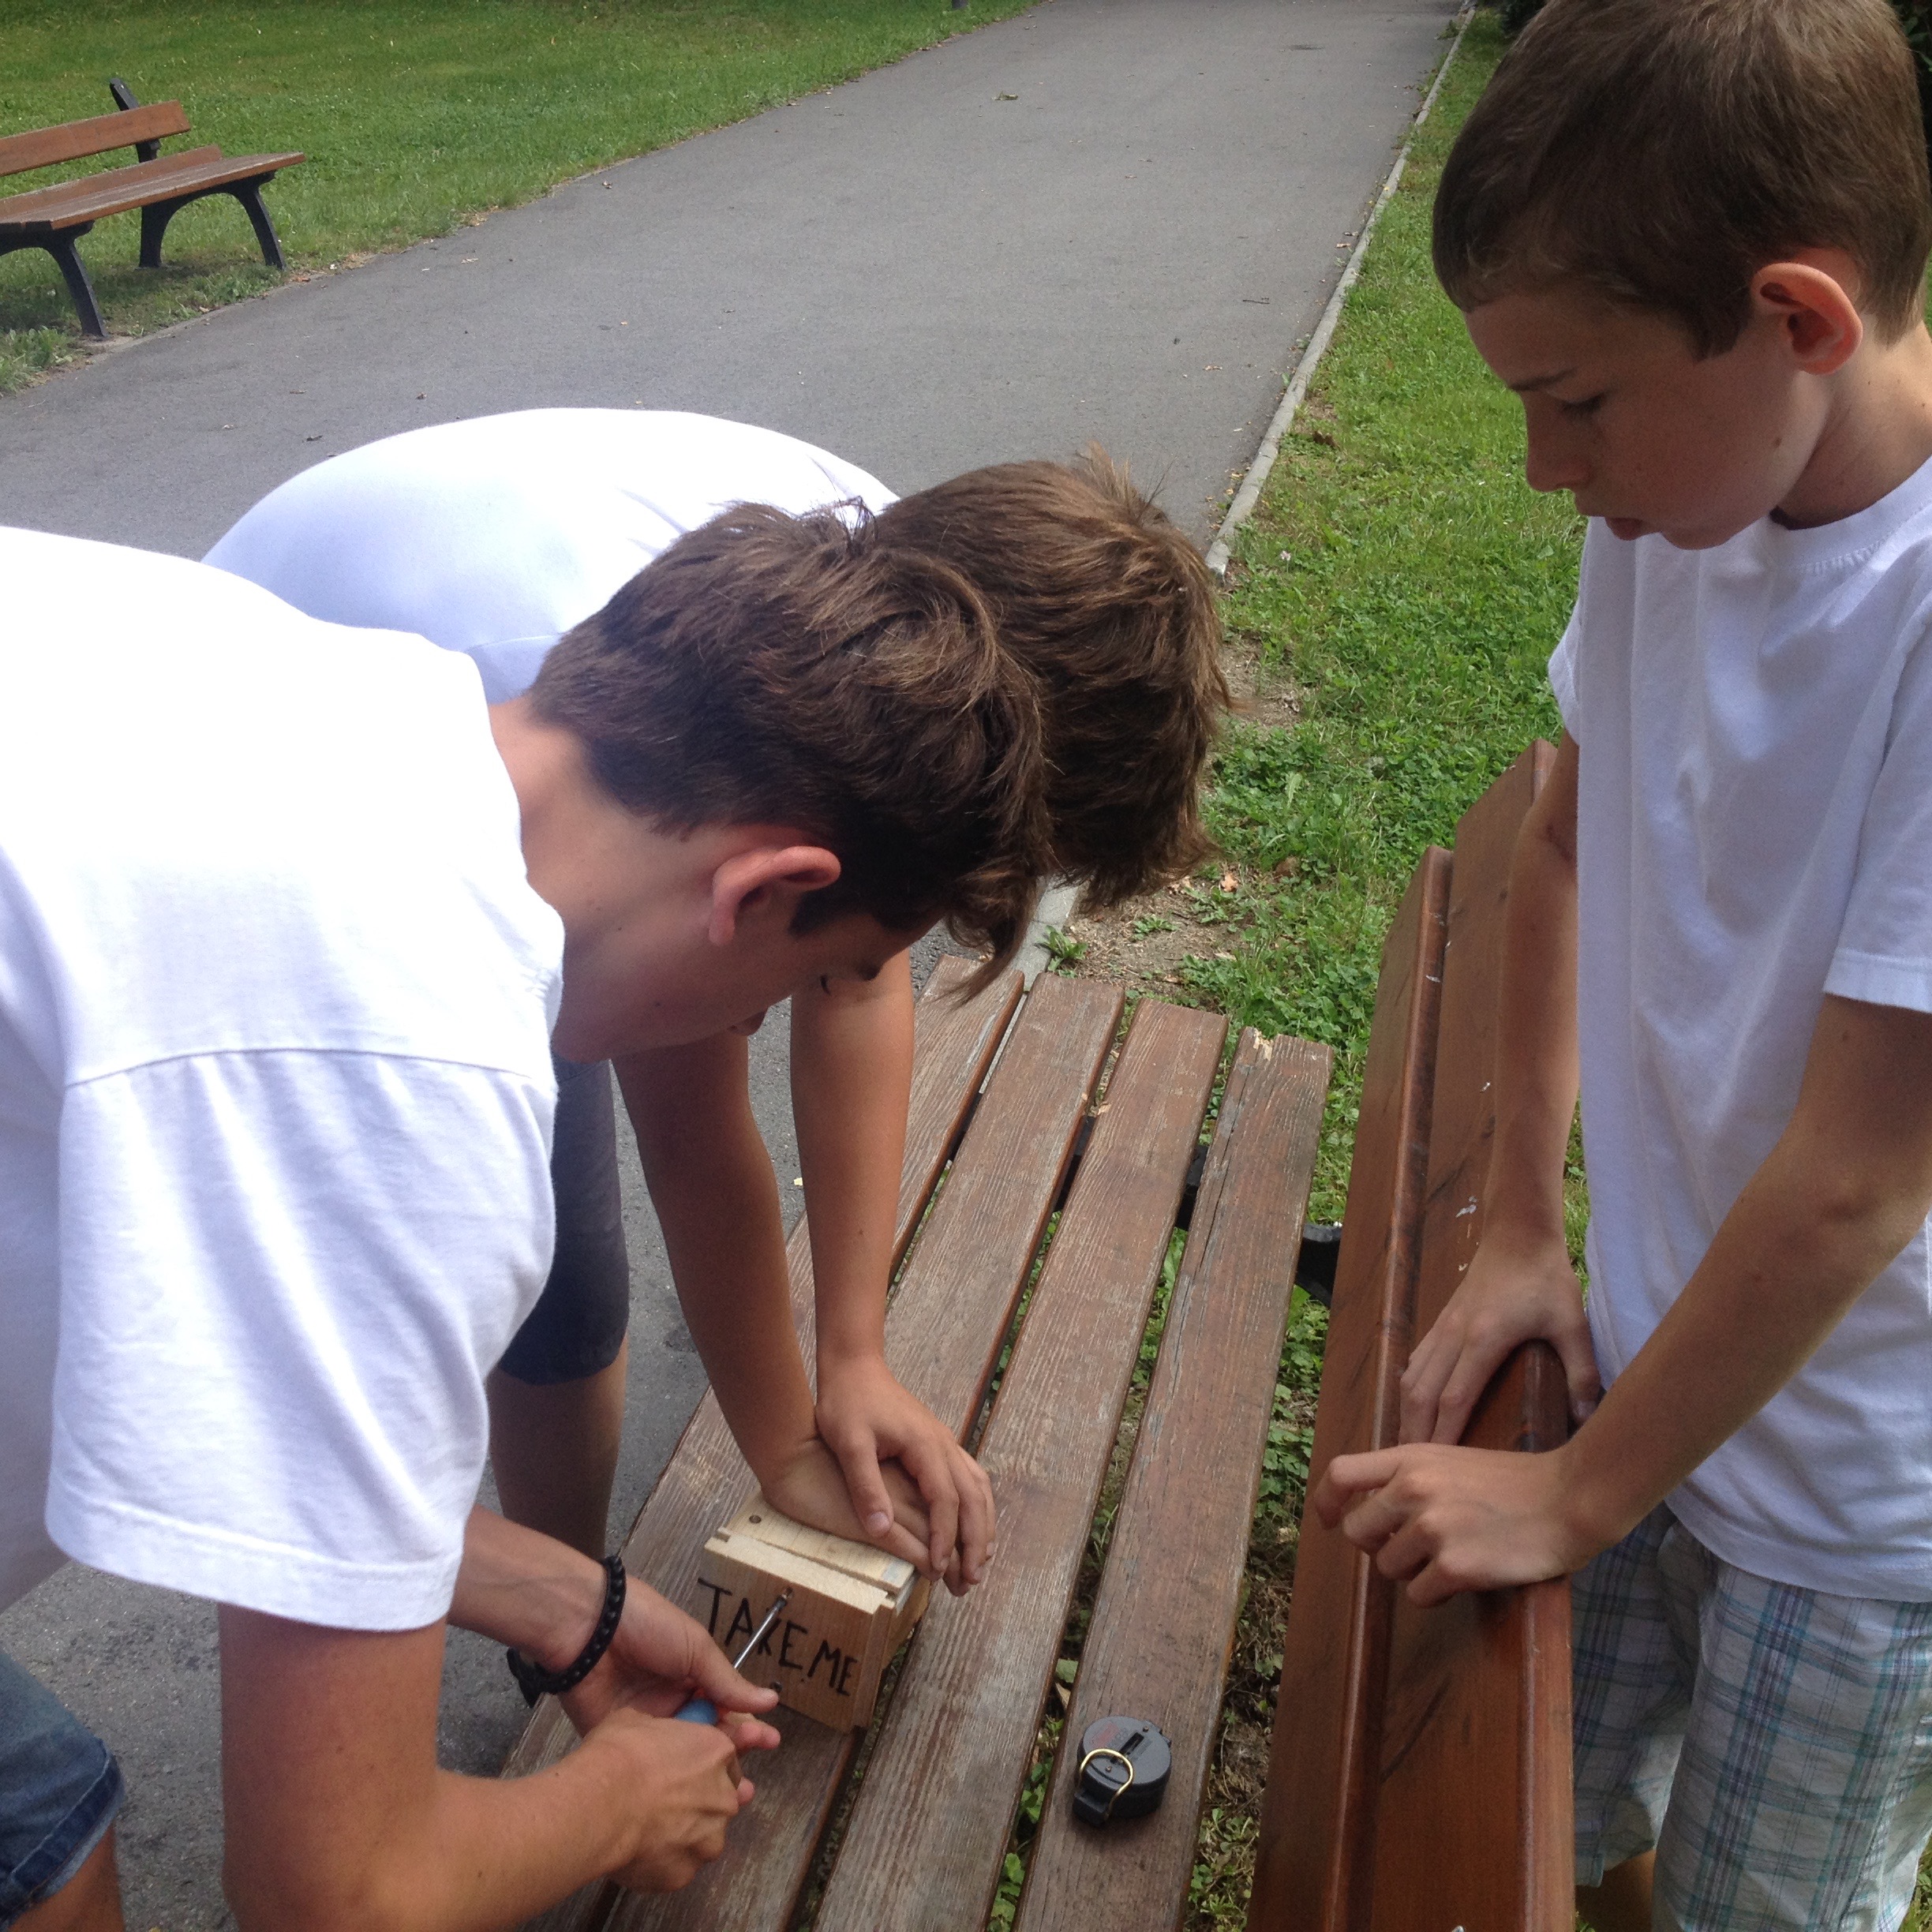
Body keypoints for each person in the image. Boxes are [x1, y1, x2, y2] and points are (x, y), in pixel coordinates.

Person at [1, 444, 1226, 1928]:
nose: (759, 1025)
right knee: (47, 1851)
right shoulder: (403, 1071)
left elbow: (241, 1422)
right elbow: (337, 1892)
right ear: (762, 892)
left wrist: (556, 1595)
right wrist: (612, 1807)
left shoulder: (355, 690)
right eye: (805, 979)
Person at [1312, 3, 1932, 1928]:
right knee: (1547, 1849)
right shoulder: (1677, 504)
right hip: (1654, 1375)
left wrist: (1574, 1497)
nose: (1540, 468)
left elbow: (1862, 1178)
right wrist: (1522, 1224)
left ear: (1796, 318)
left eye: (1573, 401)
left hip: (1858, 1508)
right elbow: (1569, 844)